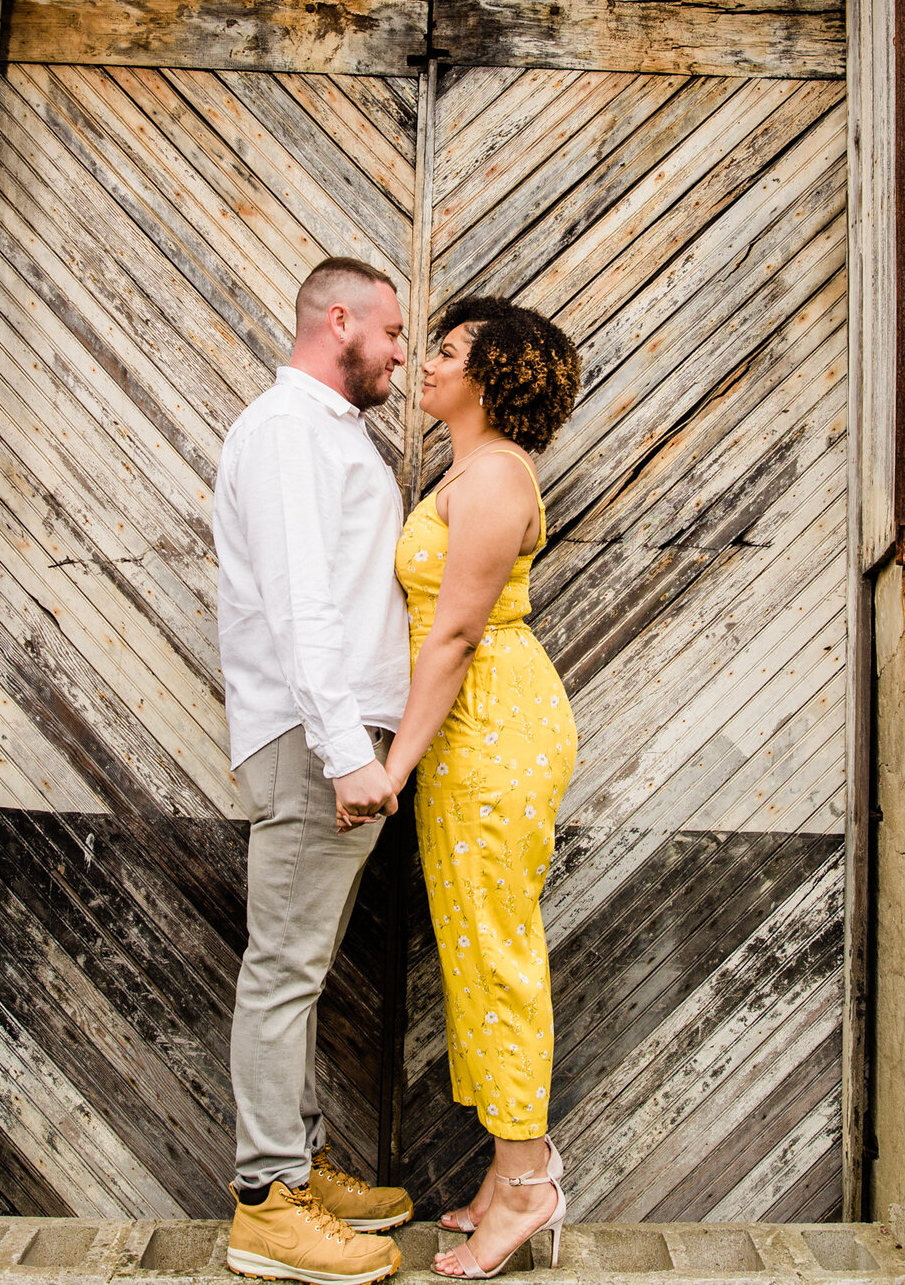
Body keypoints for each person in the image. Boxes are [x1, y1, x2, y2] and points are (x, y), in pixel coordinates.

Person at [346, 297, 583, 1281]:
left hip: (493, 731)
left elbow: (452, 634)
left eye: (444, 351)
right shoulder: (471, 469)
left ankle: (528, 1185)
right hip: (471, 730)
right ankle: (506, 1169)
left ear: (491, 376)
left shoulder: (490, 478)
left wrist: (392, 765)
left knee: (496, 949)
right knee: (477, 944)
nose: (427, 365)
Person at [216, 258, 419, 1285]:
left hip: (334, 736)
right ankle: (265, 1202)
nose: (399, 351)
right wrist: (346, 752)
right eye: (390, 330)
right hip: (313, 740)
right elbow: (303, 605)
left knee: (298, 962)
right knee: (282, 966)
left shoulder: (330, 432)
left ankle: (295, 1164)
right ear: (338, 318)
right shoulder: (289, 430)